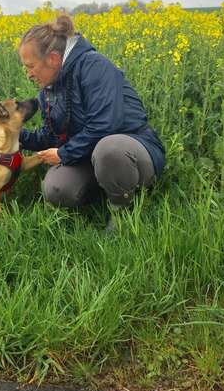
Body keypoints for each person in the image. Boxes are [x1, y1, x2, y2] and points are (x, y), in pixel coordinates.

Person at [18, 14, 165, 231]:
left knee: (110, 149)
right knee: (56, 188)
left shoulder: (94, 67)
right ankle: (104, 191)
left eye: (31, 66)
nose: (28, 74)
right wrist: (15, 135)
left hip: (132, 151)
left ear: (53, 59)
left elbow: (106, 125)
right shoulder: (48, 89)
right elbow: (51, 136)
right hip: (89, 156)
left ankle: (122, 210)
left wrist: (63, 154)